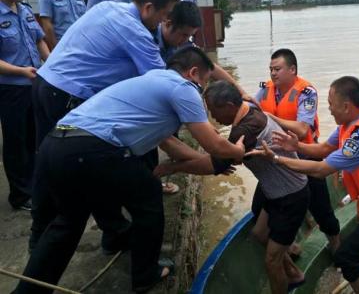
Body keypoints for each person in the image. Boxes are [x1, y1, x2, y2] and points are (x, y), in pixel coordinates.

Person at [14, 48, 246, 294]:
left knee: (67, 224)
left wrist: (205, 163)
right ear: (193, 72)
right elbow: (213, 144)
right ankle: (145, 274)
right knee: (149, 197)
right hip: (92, 149)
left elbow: (170, 144)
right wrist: (237, 151)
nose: (203, 89)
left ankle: (28, 291)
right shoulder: (182, 87)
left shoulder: (151, 81)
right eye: (205, 81)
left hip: (57, 144)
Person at [30, 0, 179, 251]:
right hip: (67, 96)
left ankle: (110, 231)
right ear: (148, 8)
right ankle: (52, 236)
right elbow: (163, 83)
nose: (162, 22)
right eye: (163, 15)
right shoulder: (136, 31)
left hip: (44, 84)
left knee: (46, 163)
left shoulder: (107, 7)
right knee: (86, 170)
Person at [247, 76, 359, 294]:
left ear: (346, 106)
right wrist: (296, 146)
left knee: (347, 257)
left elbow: (321, 169)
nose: (328, 109)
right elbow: (324, 149)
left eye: (331, 104)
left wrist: (276, 159)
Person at [157, 80, 310, 294]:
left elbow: (212, 165)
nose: (213, 117)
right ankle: (293, 273)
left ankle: (289, 277)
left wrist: (173, 167)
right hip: (274, 191)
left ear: (230, 106)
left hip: (290, 196)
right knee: (259, 234)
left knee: (271, 261)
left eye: (214, 111)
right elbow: (219, 158)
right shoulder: (250, 110)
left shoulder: (245, 130)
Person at [256, 49, 341, 253]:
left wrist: (272, 118)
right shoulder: (265, 88)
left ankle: (337, 247)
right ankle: (289, 247)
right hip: (274, 158)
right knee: (258, 208)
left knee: (322, 210)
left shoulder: (306, 92)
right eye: (271, 69)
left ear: (292, 69)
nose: (273, 73)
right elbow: (251, 109)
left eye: (277, 69)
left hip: (305, 154)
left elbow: (302, 130)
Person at [0, 0, 49, 210]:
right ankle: (20, 195)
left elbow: (39, 40)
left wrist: (51, 63)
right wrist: (21, 71)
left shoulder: (25, 10)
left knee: (35, 139)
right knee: (16, 143)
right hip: (11, 89)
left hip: (34, 84)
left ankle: (35, 185)